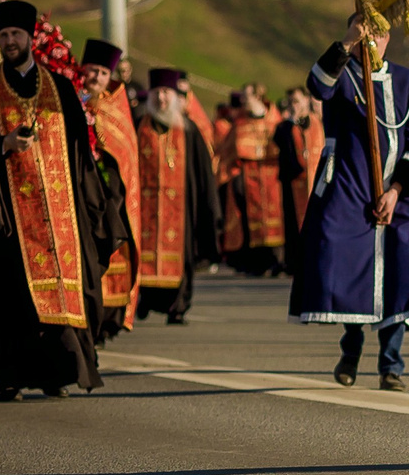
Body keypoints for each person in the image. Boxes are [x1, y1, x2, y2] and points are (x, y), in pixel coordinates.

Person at [0, 0, 119, 399]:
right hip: (8, 216)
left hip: (60, 219)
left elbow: (80, 153)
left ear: (30, 38)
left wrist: (92, 207)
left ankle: (56, 374)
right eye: (4, 35)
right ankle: (12, 376)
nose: (9, 41)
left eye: (16, 35)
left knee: (60, 291)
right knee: (12, 297)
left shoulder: (59, 88)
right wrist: (1, 143)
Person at [292, 23, 409, 388]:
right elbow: (317, 86)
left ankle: (391, 364)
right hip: (349, 188)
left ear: (388, 38)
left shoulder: (407, 81)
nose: (371, 40)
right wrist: (346, 44)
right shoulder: (342, 74)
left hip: (400, 192)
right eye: (364, 33)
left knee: (403, 270)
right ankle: (352, 345)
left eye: (378, 33)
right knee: (350, 268)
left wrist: (395, 191)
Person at [133, 69, 222, 325]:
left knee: (181, 257)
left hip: (181, 208)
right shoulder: (140, 125)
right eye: (157, 92)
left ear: (175, 96)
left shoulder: (189, 130)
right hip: (145, 206)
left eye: (166, 93)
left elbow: (203, 173)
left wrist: (209, 207)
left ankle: (178, 307)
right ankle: (146, 300)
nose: (161, 98)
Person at [78, 39, 140, 338]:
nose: (97, 77)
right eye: (93, 70)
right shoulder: (69, 99)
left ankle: (107, 322)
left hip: (109, 197)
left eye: (104, 72)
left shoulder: (117, 106)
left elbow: (126, 153)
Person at [211, 83, 286, 276]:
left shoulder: (274, 120)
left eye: (247, 97)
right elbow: (226, 150)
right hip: (246, 179)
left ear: (258, 97)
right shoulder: (240, 122)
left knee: (274, 220)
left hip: (271, 179)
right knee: (247, 222)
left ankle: (276, 260)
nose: (243, 100)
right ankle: (254, 263)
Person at [273, 84, 325, 278]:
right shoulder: (286, 127)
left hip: (315, 182)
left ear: (306, 100)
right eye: (290, 102)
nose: (293, 105)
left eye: (296, 101)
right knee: (294, 225)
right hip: (294, 183)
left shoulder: (317, 123)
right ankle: (295, 263)